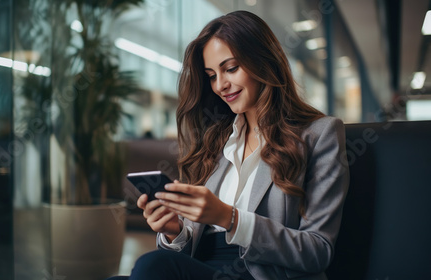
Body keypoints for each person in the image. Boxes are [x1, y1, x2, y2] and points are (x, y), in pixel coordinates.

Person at [108, 10, 349, 280]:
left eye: (231, 68)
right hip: (205, 268)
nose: (220, 85)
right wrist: (174, 231)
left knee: (152, 266)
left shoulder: (318, 133)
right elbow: (191, 251)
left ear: (263, 61)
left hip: (262, 273)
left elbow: (317, 251)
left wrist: (230, 218)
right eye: (211, 75)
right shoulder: (215, 140)